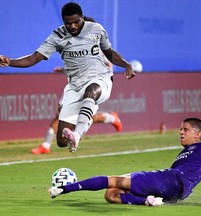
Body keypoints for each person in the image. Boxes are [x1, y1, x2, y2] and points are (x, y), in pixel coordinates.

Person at [48, 117, 201, 206]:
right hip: (174, 192)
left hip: (171, 180)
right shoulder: (185, 154)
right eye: (180, 129)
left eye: (185, 130)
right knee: (111, 194)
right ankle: (149, 201)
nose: (180, 133)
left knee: (114, 179)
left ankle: (64, 188)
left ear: (198, 134)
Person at [0, 2, 135, 153]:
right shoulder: (57, 36)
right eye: (68, 23)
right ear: (63, 21)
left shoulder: (96, 29)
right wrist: (10, 61)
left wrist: (126, 65)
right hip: (75, 86)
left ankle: (77, 135)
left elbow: (109, 52)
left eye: (76, 22)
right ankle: (78, 132)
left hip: (101, 78)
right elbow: (33, 58)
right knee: (62, 142)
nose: (72, 26)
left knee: (91, 91)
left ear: (82, 18)